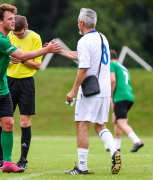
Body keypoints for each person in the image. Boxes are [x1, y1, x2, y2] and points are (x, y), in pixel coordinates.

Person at [0, 4, 61, 173]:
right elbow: (21, 55)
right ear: (0, 21)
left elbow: (4, 59)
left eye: (14, 18)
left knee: (8, 124)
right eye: (9, 19)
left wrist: (10, 60)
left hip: (2, 88)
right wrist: (47, 49)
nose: (13, 22)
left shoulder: (6, 37)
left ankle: (7, 163)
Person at [56, 8, 121, 175]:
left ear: (82, 23)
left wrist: (72, 91)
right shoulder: (102, 38)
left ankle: (82, 167)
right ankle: (114, 151)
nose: (78, 24)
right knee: (100, 126)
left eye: (78, 21)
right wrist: (60, 51)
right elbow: (84, 56)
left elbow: (84, 67)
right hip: (105, 90)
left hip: (91, 90)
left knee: (82, 127)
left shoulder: (84, 41)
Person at [0, 15, 42, 170]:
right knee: (0, 121)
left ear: (27, 26)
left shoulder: (35, 38)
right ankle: (0, 158)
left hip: (26, 83)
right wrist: (9, 59)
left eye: (19, 34)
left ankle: (23, 160)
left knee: (24, 122)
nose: (17, 36)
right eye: (15, 33)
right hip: (8, 81)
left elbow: (37, 65)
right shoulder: (7, 35)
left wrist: (23, 60)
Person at [109, 50, 144, 152]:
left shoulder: (111, 64)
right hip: (129, 96)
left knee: (121, 121)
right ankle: (117, 146)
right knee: (115, 119)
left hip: (120, 96)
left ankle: (137, 141)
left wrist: (110, 96)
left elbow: (112, 80)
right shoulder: (123, 67)